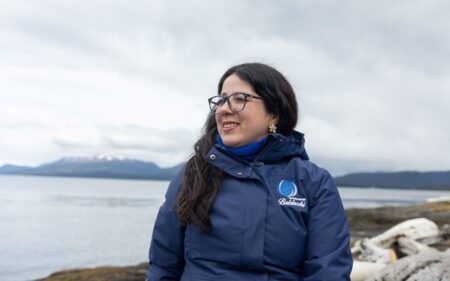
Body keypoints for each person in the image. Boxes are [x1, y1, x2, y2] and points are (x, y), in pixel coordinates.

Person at [146, 62, 353, 281]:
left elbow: (328, 272)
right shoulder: (192, 175)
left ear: (274, 113)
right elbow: (163, 266)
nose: (224, 109)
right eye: (222, 99)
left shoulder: (313, 182)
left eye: (239, 99)